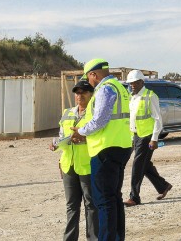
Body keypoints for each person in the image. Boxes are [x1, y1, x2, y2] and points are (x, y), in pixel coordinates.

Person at [70, 58, 133, 241]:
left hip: (105, 149)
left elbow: (100, 120)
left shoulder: (105, 89)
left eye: (88, 78)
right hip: (120, 147)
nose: (88, 82)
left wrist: (81, 131)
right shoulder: (120, 87)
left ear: (93, 75)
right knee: (114, 198)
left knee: (104, 201)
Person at [50, 80, 98, 241]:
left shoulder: (96, 114)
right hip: (68, 165)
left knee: (91, 205)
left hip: (87, 165)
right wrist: (56, 144)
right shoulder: (67, 112)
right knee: (71, 206)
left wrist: (85, 140)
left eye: (83, 92)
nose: (79, 95)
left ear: (91, 94)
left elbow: (100, 138)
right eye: (77, 93)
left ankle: (93, 238)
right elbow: (61, 135)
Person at [124, 70, 172, 207]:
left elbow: (158, 119)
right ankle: (163, 186)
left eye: (135, 82)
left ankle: (134, 197)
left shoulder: (150, 96)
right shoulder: (131, 97)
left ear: (141, 82)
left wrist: (155, 138)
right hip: (135, 135)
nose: (132, 85)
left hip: (147, 136)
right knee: (144, 165)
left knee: (137, 166)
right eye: (130, 83)